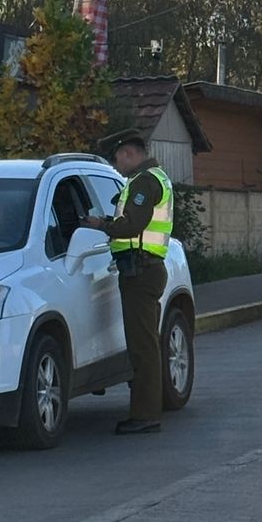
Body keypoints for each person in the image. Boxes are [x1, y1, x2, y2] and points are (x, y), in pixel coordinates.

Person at [81, 128, 174, 434]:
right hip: (144, 268)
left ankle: (145, 414)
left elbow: (132, 225)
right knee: (145, 342)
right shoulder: (151, 178)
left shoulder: (144, 182)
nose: (116, 164)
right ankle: (149, 409)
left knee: (142, 345)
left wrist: (101, 224)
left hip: (141, 270)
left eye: (117, 157)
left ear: (129, 153)